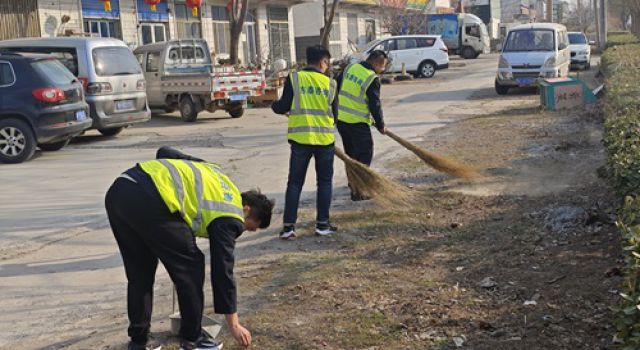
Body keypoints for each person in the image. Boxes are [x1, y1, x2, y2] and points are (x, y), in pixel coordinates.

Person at [105, 146, 274, 350]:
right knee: (192, 266)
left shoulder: (215, 172)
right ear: (246, 210)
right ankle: (193, 339)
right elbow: (223, 270)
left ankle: (140, 340)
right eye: (248, 228)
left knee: (140, 270)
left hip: (120, 190)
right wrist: (234, 323)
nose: (240, 231)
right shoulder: (231, 214)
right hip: (151, 198)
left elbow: (164, 152)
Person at [271, 45, 338, 240]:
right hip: (325, 140)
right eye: (327, 63)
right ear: (321, 62)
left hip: (300, 141)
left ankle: (289, 227)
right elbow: (336, 116)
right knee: (324, 182)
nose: (327, 67)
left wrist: (275, 106)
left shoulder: (295, 78)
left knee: (295, 183)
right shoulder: (331, 84)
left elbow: (282, 106)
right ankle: (322, 225)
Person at [335, 50, 389, 201]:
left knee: (351, 155)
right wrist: (380, 124)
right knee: (364, 154)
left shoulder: (351, 68)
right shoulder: (371, 78)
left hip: (341, 120)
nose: (382, 70)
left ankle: (353, 184)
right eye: (383, 66)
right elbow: (375, 104)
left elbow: (336, 87)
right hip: (357, 123)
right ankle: (359, 190)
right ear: (378, 63)